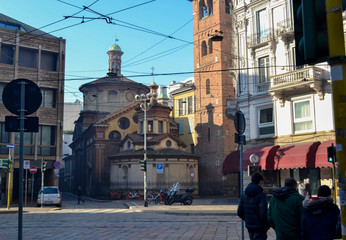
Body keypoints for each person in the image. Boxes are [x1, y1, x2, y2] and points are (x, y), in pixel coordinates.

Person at [237, 172, 269, 240]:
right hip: (260, 227)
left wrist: (248, 219)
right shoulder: (261, 195)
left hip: (249, 225)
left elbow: (239, 212)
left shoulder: (244, 194)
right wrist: (266, 225)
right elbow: (263, 214)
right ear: (260, 182)